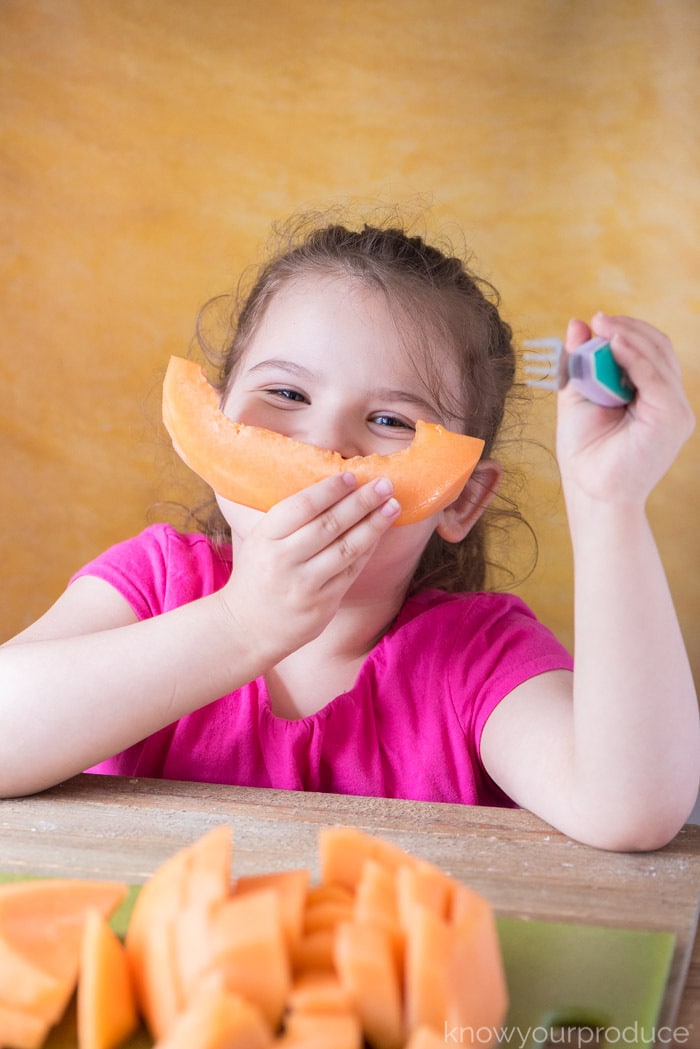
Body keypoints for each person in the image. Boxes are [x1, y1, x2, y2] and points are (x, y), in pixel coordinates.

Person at [1, 220, 697, 851]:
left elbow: (630, 809)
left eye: (392, 422)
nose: (326, 443)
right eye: (288, 395)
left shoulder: (477, 657)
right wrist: (242, 624)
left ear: (460, 499)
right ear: (214, 421)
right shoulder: (153, 583)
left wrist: (609, 501)